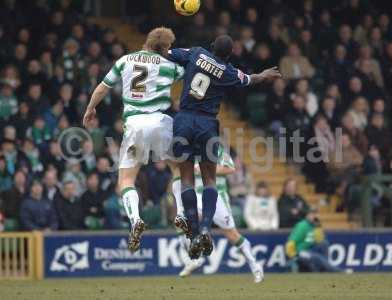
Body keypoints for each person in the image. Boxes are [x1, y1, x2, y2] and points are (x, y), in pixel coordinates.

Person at [168, 34, 281, 258]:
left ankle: (191, 233)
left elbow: (168, 53)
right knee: (210, 180)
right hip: (207, 124)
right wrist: (265, 75)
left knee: (187, 178)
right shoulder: (227, 71)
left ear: (211, 47)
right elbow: (251, 79)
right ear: (229, 55)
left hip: (184, 121)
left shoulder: (196, 53)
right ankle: (206, 229)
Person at [83, 27, 184, 252]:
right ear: (166, 47)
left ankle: (136, 220)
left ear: (147, 42)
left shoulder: (125, 60)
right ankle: (181, 213)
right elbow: (191, 71)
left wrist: (91, 108)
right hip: (161, 122)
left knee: (126, 180)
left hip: (135, 125)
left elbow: (103, 87)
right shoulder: (170, 66)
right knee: (178, 169)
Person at [172, 146, 264, 283]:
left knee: (232, 235)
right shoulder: (188, 151)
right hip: (196, 195)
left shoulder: (216, 149)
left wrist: (206, 170)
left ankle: (255, 267)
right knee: (180, 220)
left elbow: (230, 168)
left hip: (217, 195)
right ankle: (191, 260)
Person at [285, 208, 345, 273]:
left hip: (310, 249)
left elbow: (319, 240)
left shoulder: (314, 226)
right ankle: (337, 271)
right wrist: (293, 255)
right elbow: (291, 241)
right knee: (317, 258)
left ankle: (324, 268)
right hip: (300, 252)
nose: (314, 216)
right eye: (312, 214)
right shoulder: (302, 226)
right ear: (307, 216)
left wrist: (318, 227)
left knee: (324, 244)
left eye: (315, 214)